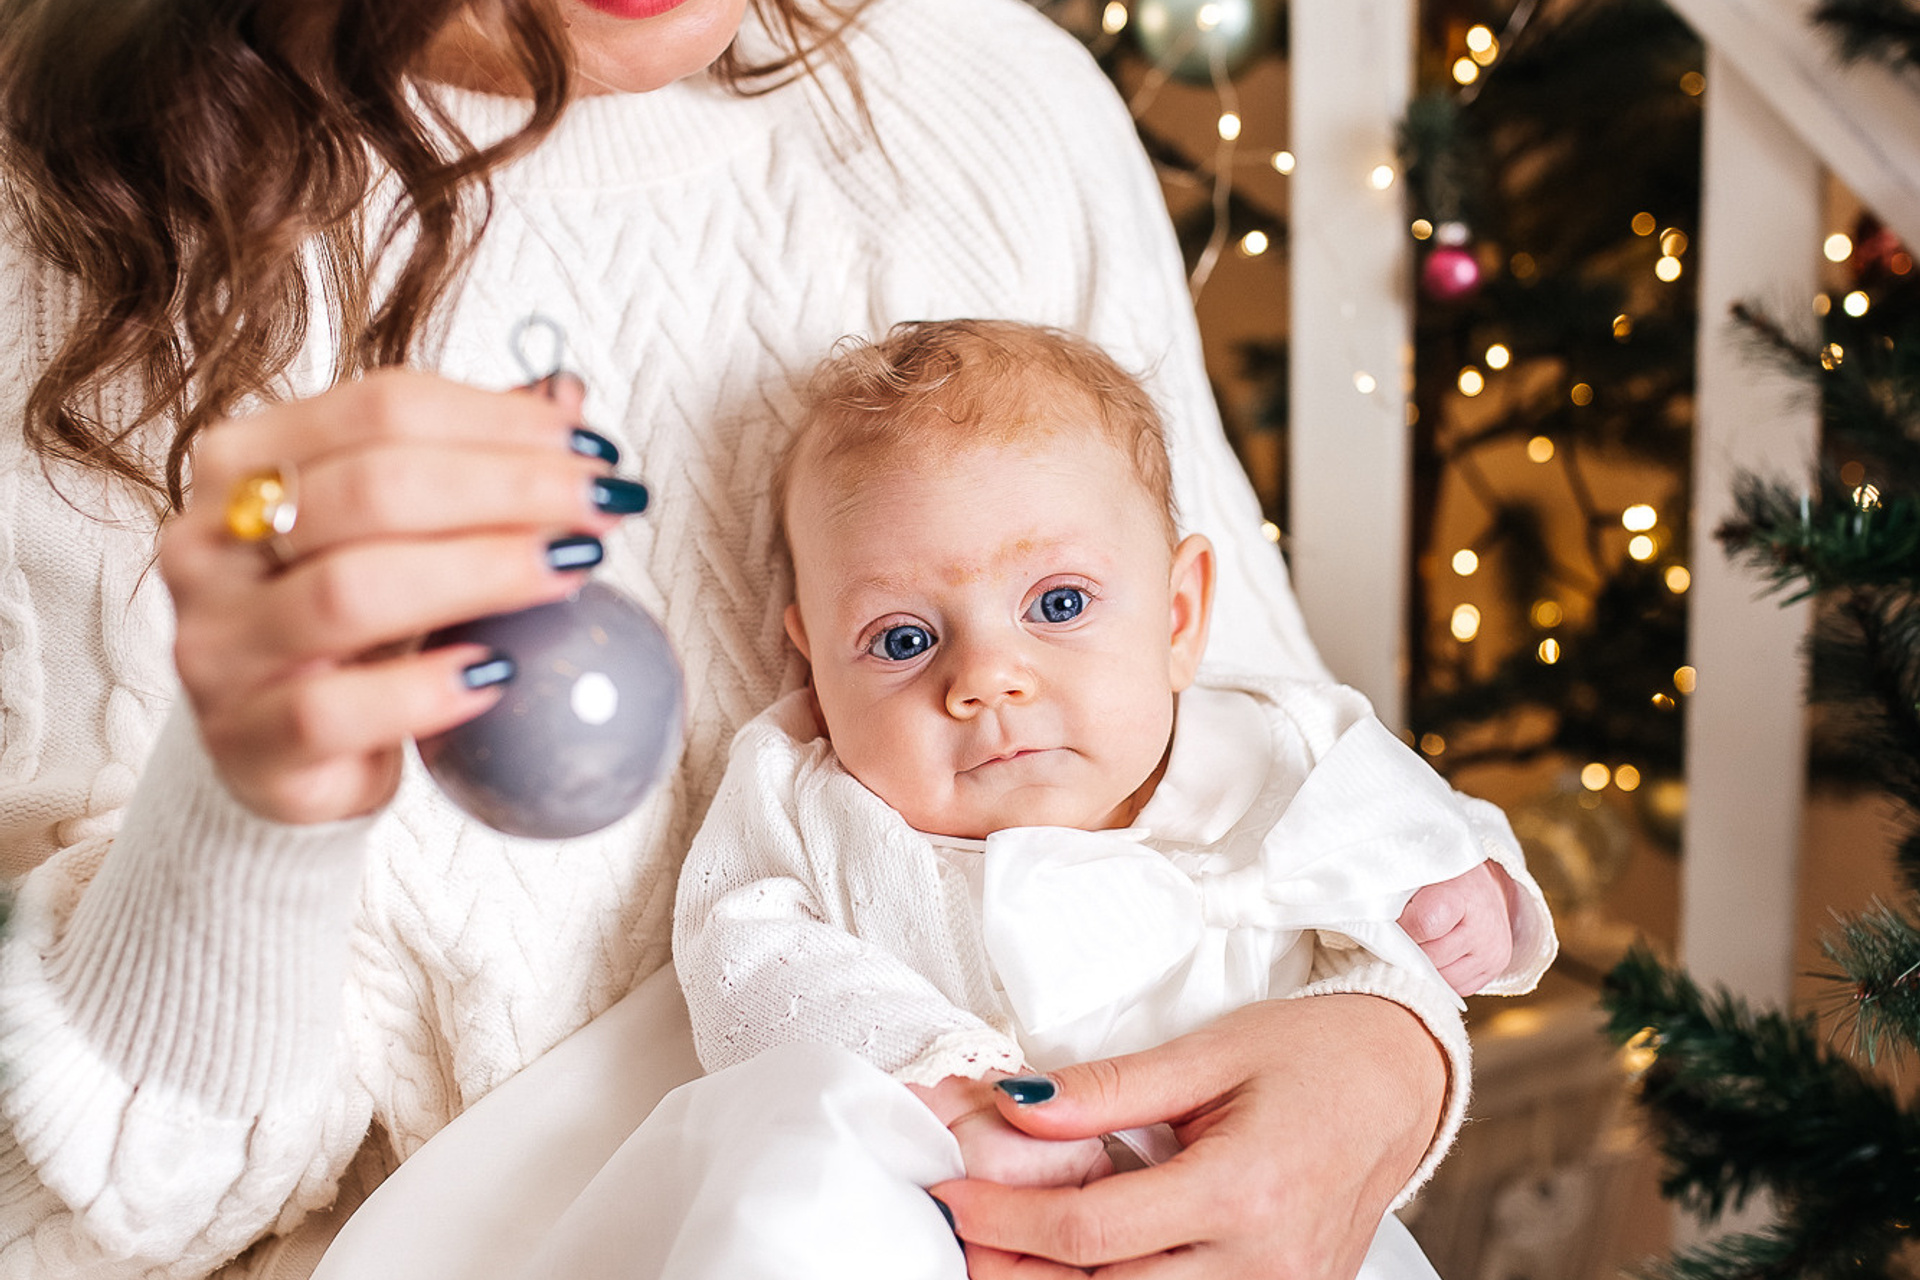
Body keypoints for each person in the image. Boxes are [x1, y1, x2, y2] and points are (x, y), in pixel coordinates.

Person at [0, 1, 1553, 1278]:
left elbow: (1268, 740)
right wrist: (251, 806)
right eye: (891, 640)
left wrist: (1388, 1053)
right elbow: (83, 1223)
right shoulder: (62, 242)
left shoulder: (997, 109)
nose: (988, 681)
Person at [653, 319, 1553, 1278]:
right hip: (944, 1212)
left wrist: (1472, 891)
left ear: (1177, 616)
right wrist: (944, 1088)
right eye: (904, 639)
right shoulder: (812, 793)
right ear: (813, 657)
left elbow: (1422, 824)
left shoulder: (1270, 743)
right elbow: (745, 955)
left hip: (1267, 1222)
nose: (987, 680)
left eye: (1059, 604)